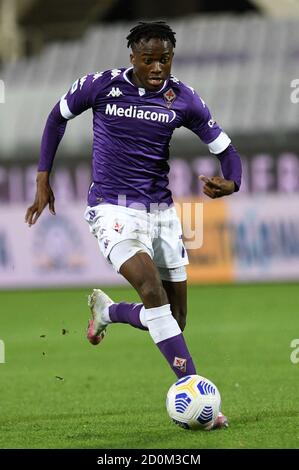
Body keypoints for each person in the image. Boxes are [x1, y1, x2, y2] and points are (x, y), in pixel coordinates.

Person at [25, 21, 242, 429]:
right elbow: (56, 118)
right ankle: (192, 387)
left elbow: (226, 149)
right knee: (151, 289)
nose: (158, 67)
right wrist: (42, 177)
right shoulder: (100, 86)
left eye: (165, 59)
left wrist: (231, 182)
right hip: (112, 209)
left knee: (174, 320)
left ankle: (110, 312)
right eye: (149, 60)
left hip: (161, 213)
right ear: (133, 58)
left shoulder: (184, 99)